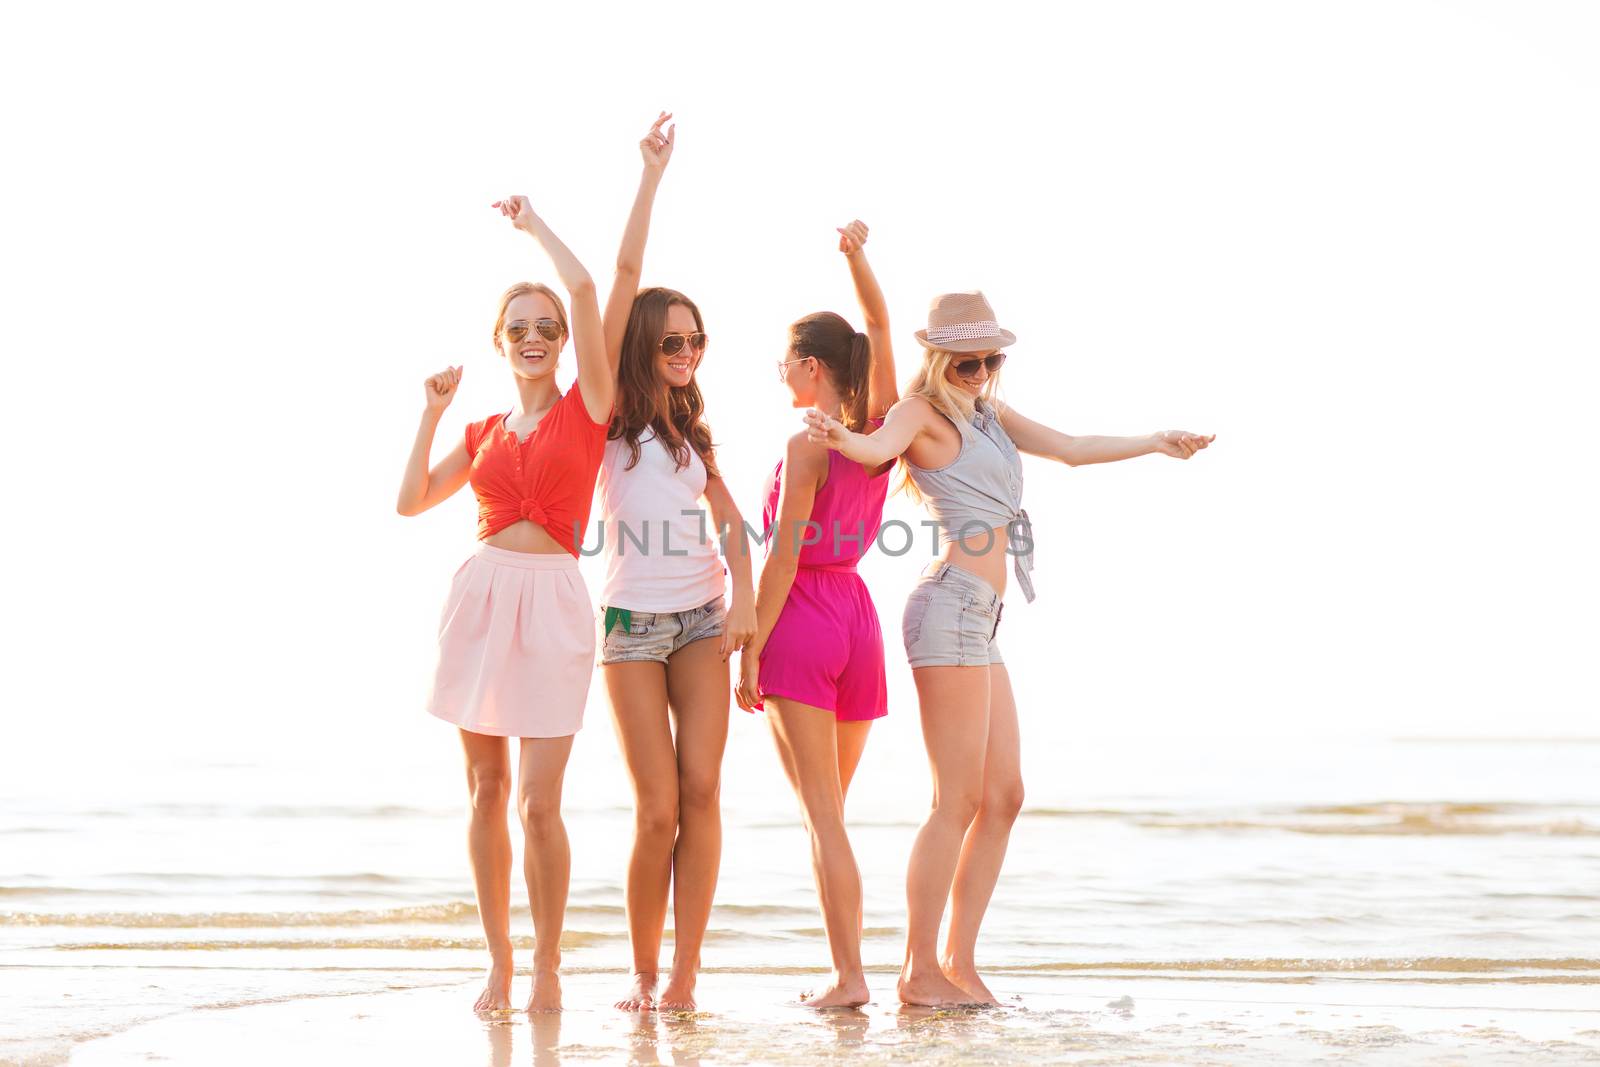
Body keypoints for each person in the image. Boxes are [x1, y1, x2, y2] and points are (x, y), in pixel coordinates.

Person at [804, 291, 1214, 1006]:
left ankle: (959, 962)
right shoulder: (919, 412)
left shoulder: (989, 414)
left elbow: (1073, 450)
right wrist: (841, 438)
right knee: (955, 799)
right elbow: (875, 446)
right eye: (969, 360)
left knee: (1004, 795)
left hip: (981, 616)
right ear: (939, 356)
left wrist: (1155, 441)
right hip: (950, 608)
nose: (982, 370)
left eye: (992, 359)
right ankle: (918, 969)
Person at [396, 195, 613, 1014]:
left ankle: (550, 961)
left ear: (561, 341)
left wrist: (533, 228)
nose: (533, 336)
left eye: (545, 328)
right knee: (486, 792)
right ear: (500, 340)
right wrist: (431, 412)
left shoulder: (589, 410)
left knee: (538, 802)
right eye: (518, 326)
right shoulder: (484, 426)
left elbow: (589, 288)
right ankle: (500, 959)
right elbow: (411, 499)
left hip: (553, 601)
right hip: (480, 600)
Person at [595, 113, 758, 1013]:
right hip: (628, 629)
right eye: (672, 342)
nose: (687, 353)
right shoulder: (609, 413)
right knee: (655, 808)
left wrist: (740, 602)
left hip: (700, 618)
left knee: (702, 790)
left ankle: (686, 978)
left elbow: (735, 526)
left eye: (697, 340)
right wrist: (651, 177)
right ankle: (643, 973)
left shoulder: (692, 431)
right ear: (640, 350)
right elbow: (621, 279)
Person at [734, 220, 897, 1009]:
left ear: (809, 366)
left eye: (784, 361)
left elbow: (783, 558)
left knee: (821, 819)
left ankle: (849, 977)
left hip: (803, 617)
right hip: (859, 620)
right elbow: (883, 326)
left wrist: (748, 650)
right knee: (832, 814)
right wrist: (858, 258)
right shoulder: (880, 429)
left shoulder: (807, 447)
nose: (778, 373)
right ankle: (852, 970)